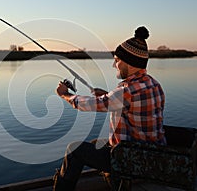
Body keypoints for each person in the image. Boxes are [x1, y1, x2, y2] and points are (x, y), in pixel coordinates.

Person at [53, 26, 166, 190]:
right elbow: (132, 105)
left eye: (117, 60)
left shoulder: (126, 91)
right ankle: (113, 178)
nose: (114, 65)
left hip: (131, 157)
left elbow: (92, 105)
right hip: (151, 153)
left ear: (130, 63)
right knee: (94, 143)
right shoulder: (154, 84)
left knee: (74, 149)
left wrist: (65, 95)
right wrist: (107, 95)